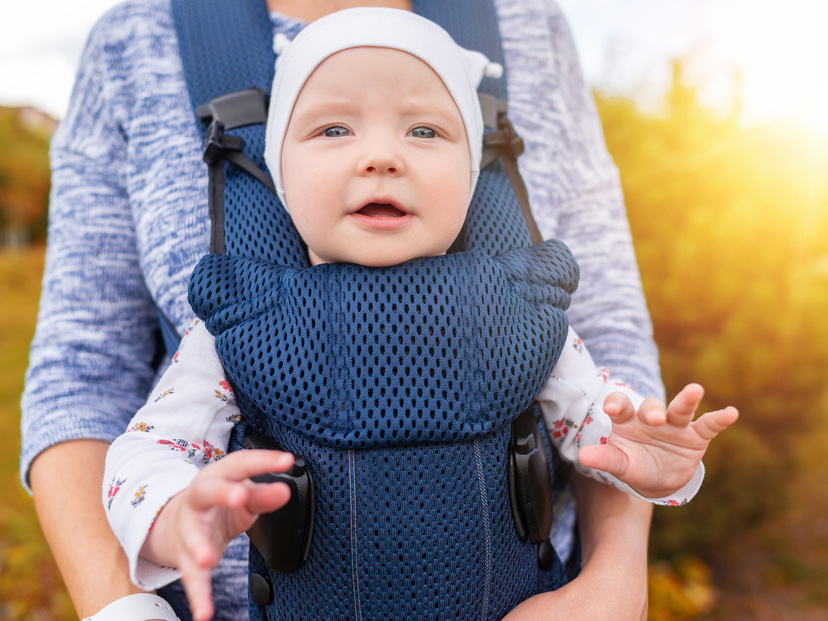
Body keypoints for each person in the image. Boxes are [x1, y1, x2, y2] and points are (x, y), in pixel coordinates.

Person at [19, 0, 684, 619]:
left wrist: (648, 472)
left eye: (424, 130)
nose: (381, 157)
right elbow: (133, 430)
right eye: (335, 129)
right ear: (277, 171)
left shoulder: (522, 310)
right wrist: (169, 516)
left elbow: (602, 412)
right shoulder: (239, 327)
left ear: (476, 157)